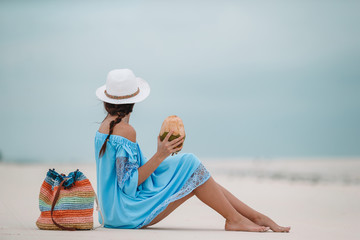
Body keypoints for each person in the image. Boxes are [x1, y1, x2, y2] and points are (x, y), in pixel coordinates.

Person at [94, 69, 291, 232]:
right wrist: (160, 154)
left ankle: (252, 216)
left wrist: (159, 155)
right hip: (125, 213)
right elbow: (128, 184)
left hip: (110, 212)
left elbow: (122, 177)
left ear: (106, 101)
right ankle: (238, 219)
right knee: (190, 164)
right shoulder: (126, 131)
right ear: (134, 101)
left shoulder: (103, 127)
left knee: (191, 167)